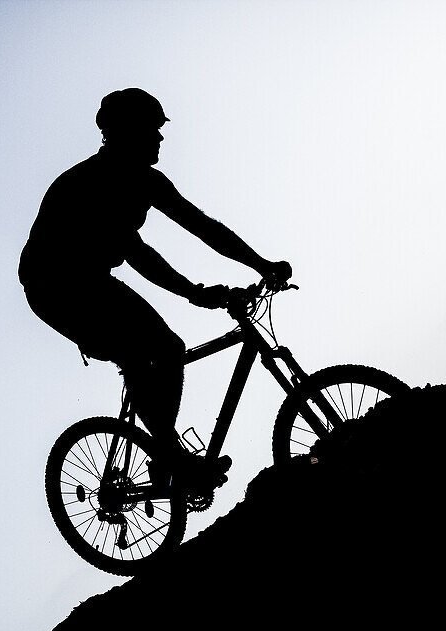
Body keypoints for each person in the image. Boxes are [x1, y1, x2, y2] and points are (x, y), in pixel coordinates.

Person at [19, 88, 292, 490]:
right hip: (54, 284)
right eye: (153, 130)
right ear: (127, 132)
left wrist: (261, 264)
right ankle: (169, 456)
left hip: (91, 279)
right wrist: (194, 292)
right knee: (158, 347)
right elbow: (137, 254)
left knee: (161, 349)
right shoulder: (96, 180)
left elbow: (204, 227)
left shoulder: (147, 181)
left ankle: (166, 455)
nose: (161, 139)